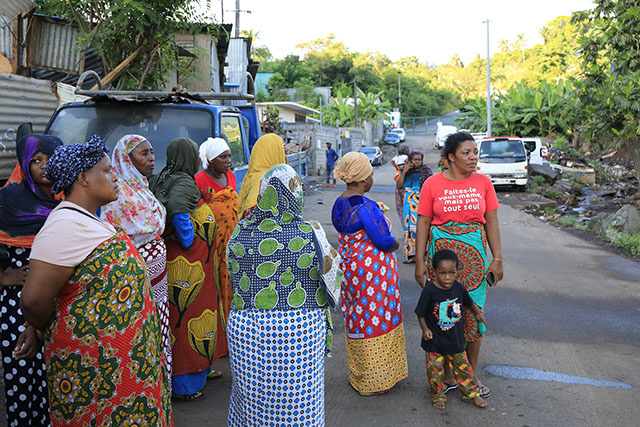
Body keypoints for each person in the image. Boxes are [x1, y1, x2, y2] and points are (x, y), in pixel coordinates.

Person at [20, 135, 172, 427]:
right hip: (99, 368)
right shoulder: (63, 227)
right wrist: (46, 328)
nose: (115, 176)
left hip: (125, 363)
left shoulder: (91, 220)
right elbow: (33, 301)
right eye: (106, 170)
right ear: (83, 179)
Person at [226, 164, 334, 426]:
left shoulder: (241, 231)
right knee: (300, 404)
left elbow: (234, 280)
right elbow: (333, 283)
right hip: (301, 331)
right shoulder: (313, 232)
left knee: (254, 403)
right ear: (296, 194)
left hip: (248, 329)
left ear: (263, 194)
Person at [415, 131, 504, 399]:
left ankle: (471, 376)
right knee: (442, 315)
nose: (473, 157)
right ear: (451, 157)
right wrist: (419, 261)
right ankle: (447, 375)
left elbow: (491, 222)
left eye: (475, 152)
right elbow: (423, 223)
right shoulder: (432, 184)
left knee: (472, 316)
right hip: (440, 263)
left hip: (475, 265)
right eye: (467, 153)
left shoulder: (484, 183)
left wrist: (497, 259)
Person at [150, 137, 226, 401]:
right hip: (188, 262)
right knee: (187, 319)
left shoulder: (162, 177)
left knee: (186, 317)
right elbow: (180, 214)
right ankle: (186, 383)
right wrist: (190, 241)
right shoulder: (182, 181)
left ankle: (200, 368)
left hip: (188, 262)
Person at [331, 152, 408, 396]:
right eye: (371, 174)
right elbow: (382, 240)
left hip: (352, 270)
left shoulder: (339, 203)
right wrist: (396, 244)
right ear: (365, 179)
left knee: (357, 318)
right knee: (377, 318)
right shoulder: (365, 206)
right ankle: (376, 381)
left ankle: (360, 375)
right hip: (372, 275)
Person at [99, 134, 172, 388]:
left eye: (152, 152)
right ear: (125, 159)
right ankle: (145, 391)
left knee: (159, 328)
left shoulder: (141, 187)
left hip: (157, 283)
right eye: (144, 153)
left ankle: (162, 391)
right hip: (138, 281)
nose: (152, 158)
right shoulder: (118, 195)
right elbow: (143, 229)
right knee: (143, 333)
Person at [0, 134, 62, 427]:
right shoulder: (7, 201)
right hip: (16, 305)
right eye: (35, 161)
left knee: (60, 375)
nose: (43, 167)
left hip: (60, 300)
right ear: (24, 165)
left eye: (50, 159)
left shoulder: (73, 200)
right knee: (23, 375)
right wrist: (3, 277)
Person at [415, 249, 487, 410]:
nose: (447, 277)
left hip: (455, 340)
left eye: (451, 273)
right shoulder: (429, 291)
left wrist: (477, 314)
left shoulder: (459, 288)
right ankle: (438, 396)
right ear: (434, 272)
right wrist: (424, 329)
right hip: (434, 341)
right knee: (434, 372)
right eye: (442, 273)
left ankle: (472, 394)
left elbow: (469, 302)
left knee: (464, 369)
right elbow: (420, 313)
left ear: (456, 272)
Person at [195, 137, 239, 336]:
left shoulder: (230, 176)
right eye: (223, 157)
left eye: (229, 156)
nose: (228, 160)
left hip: (232, 243)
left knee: (231, 285)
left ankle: (231, 329)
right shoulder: (199, 181)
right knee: (213, 288)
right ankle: (218, 333)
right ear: (212, 160)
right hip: (211, 244)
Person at [237, 133, 286, 219]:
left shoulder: (253, 175)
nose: (285, 157)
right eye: (282, 152)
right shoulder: (266, 178)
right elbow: (252, 215)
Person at [396, 151, 432, 263]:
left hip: (420, 201)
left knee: (420, 228)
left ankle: (423, 254)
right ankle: (411, 255)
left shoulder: (426, 171)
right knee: (409, 228)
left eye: (419, 159)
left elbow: (429, 187)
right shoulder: (405, 171)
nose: (417, 162)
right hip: (408, 202)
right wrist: (405, 171)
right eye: (415, 159)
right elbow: (399, 185)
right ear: (410, 160)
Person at [391, 145, 410, 221]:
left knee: (398, 193)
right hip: (404, 177)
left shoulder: (396, 158)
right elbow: (407, 162)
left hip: (397, 175)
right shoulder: (406, 157)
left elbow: (392, 161)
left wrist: (397, 167)